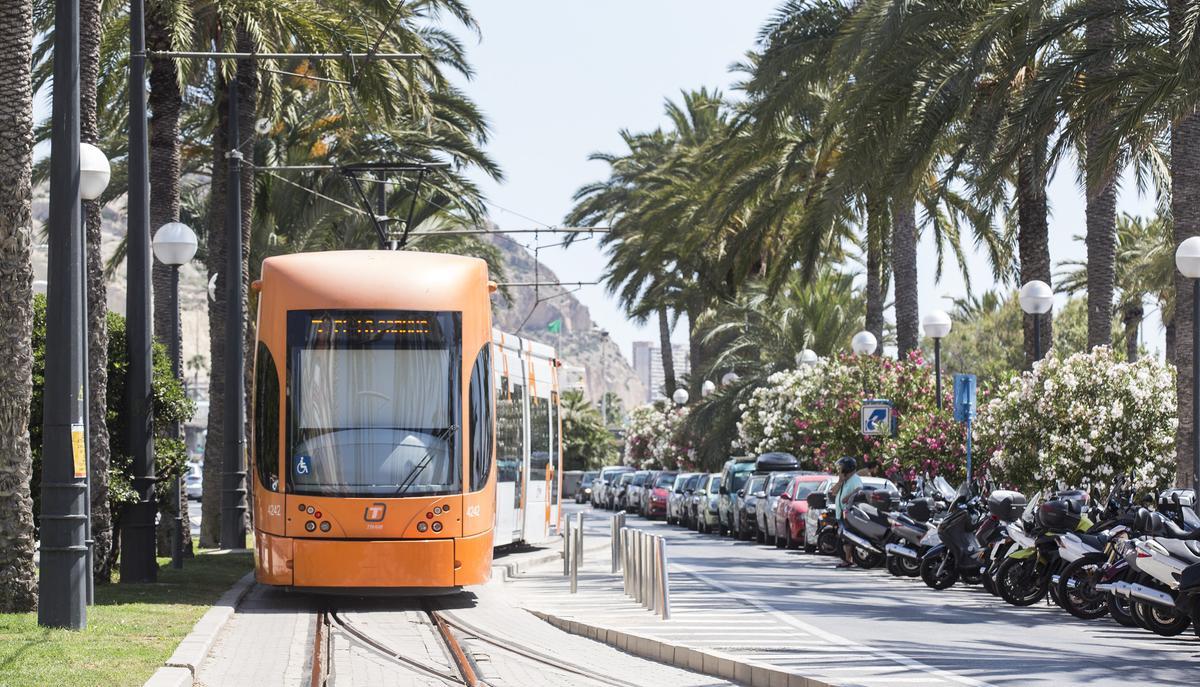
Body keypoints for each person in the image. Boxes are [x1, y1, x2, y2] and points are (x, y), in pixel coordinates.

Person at [833, 456, 862, 568]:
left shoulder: (855, 479)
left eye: (841, 467)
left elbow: (859, 490)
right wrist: (840, 481)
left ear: (847, 468)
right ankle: (847, 559)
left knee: (847, 536)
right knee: (844, 536)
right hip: (841, 512)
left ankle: (848, 559)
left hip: (849, 513)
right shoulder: (845, 480)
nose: (840, 470)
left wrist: (848, 497)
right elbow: (833, 492)